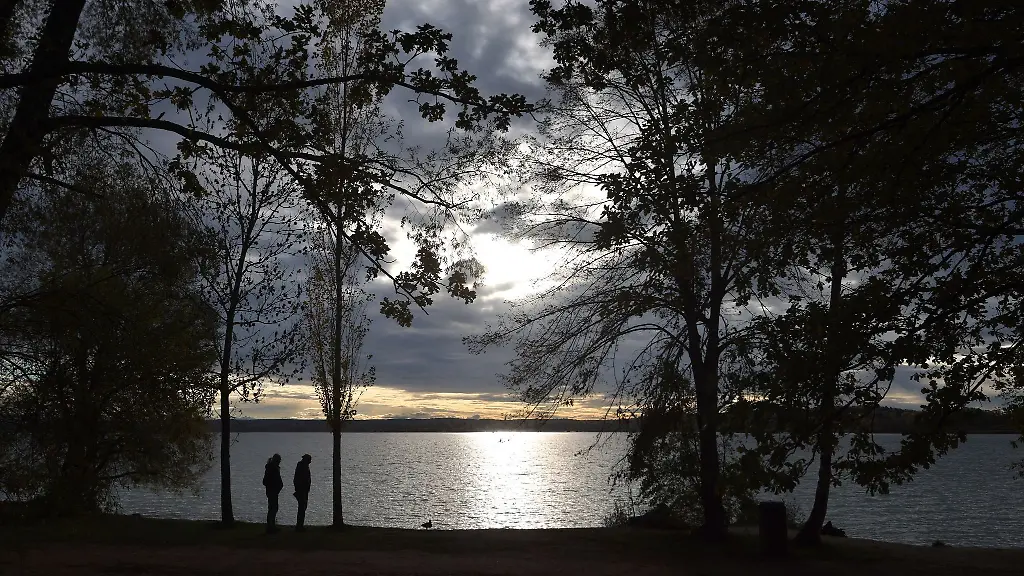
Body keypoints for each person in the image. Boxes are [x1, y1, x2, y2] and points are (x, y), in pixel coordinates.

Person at [262, 453, 283, 534]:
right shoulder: (272, 469)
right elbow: (265, 481)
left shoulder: (272, 468)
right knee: (273, 508)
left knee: (273, 508)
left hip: (273, 491)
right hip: (272, 491)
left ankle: (272, 526)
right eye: (279, 460)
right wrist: (274, 486)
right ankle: (270, 527)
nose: (279, 462)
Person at [293, 454, 312, 532]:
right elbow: (299, 479)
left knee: (302, 507)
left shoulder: (302, 466)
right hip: (302, 490)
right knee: (302, 507)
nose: (310, 461)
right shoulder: (302, 467)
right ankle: (299, 526)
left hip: (303, 490)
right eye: (309, 459)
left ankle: (300, 525)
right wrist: (299, 489)